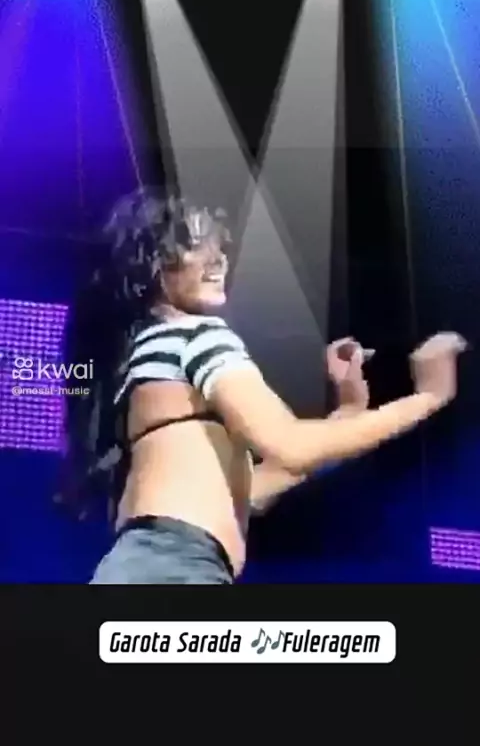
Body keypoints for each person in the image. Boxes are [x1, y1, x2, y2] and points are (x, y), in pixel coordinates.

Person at [61, 188, 465, 584]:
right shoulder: (196, 335)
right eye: (195, 245)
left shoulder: (150, 351)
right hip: (174, 568)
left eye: (218, 246)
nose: (218, 257)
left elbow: (251, 489)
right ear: (152, 266)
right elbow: (292, 446)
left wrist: (348, 411)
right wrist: (428, 396)